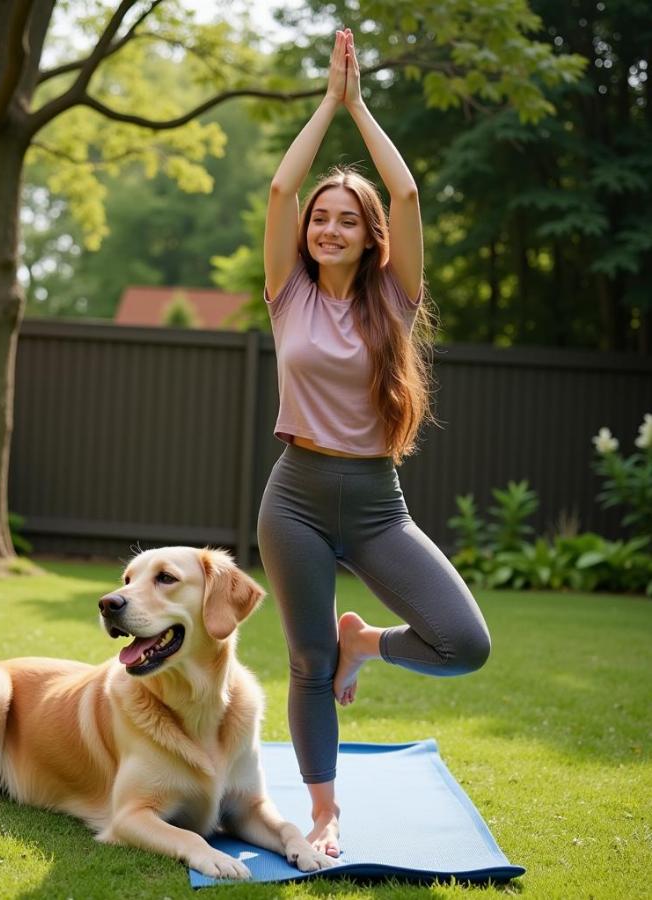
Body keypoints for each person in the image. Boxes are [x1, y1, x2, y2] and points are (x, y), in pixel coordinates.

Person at [257, 28, 492, 858]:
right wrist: (326, 105)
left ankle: (369, 643)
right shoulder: (285, 294)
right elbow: (283, 185)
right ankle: (324, 811)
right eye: (319, 218)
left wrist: (361, 107)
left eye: (344, 220)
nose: (325, 227)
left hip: (376, 505)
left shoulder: (393, 301)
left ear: (366, 235)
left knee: (464, 644)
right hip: (295, 500)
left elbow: (410, 196)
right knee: (308, 661)